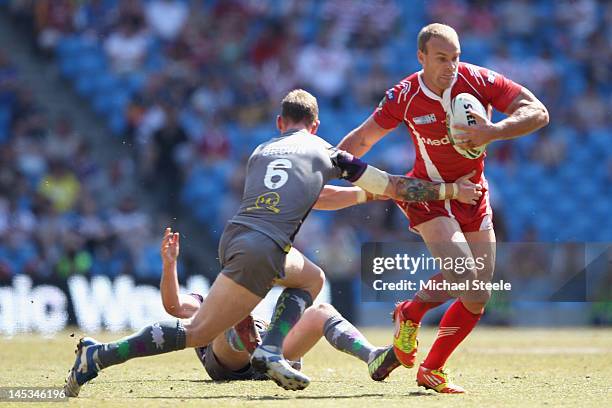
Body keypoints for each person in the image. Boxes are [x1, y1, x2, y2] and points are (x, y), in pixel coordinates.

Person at [64, 89, 482, 396]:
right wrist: (448, 192)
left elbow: (316, 196)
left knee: (311, 278)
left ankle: (270, 351)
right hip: (265, 247)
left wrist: (363, 195)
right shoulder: (326, 151)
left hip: (239, 236)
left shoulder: (262, 151)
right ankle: (100, 356)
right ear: (316, 126)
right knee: (196, 331)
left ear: (280, 123)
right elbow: (394, 184)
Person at [337, 23, 549, 393]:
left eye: (455, 57)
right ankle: (412, 314)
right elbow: (362, 139)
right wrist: (327, 163)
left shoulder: (479, 80)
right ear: (421, 57)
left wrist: (494, 131)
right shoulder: (403, 95)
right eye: (441, 58)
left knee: (478, 294)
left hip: (472, 194)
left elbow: (538, 112)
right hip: (431, 197)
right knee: (465, 276)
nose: (451, 66)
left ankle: (429, 362)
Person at [158, 227, 401, 383]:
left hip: (274, 353)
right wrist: (170, 265)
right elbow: (175, 306)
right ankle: (258, 353)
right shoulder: (207, 300)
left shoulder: (271, 289)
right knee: (233, 316)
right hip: (229, 363)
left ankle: (372, 356)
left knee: (322, 311)